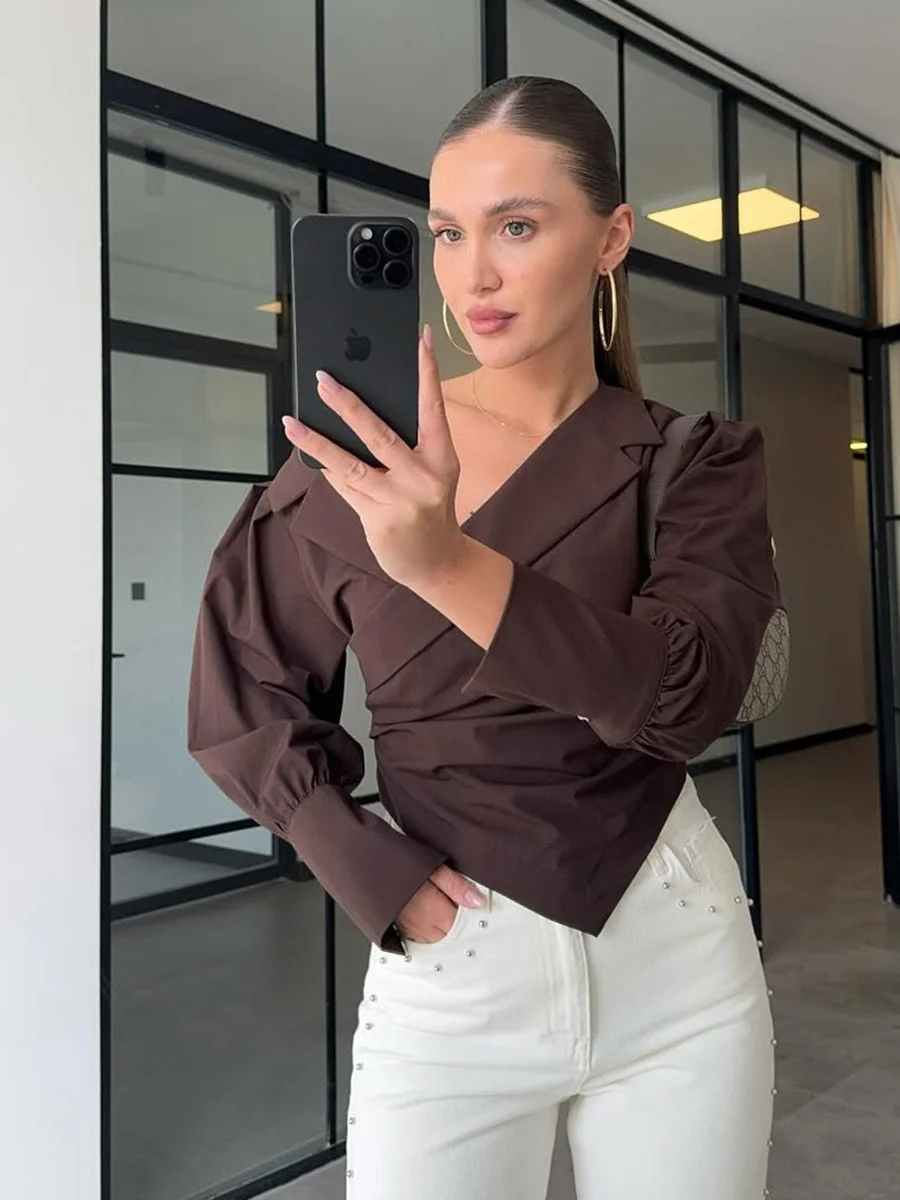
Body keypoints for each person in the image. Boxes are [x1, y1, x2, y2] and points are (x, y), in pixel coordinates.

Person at [188, 76, 779, 1200]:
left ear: (611, 238)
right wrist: (367, 868)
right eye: (449, 233)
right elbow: (242, 696)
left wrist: (443, 563)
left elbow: (683, 694)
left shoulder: (693, 459)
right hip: (450, 967)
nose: (473, 277)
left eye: (517, 226)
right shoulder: (354, 461)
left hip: (676, 954)